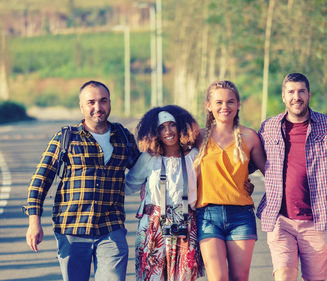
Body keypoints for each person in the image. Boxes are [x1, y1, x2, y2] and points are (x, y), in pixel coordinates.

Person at [24, 80, 140, 281]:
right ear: (81, 106)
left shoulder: (123, 136)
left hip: (111, 228)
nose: (98, 107)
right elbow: (40, 180)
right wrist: (34, 222)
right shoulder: (66, 137)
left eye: (103, 101)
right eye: (91, 102)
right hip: (72, 230)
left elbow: (142, 169)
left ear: (109, 102)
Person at [257, 73, 327, 281]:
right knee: (284, 276)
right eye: (291, 92)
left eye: (301, 91)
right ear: (284, 96)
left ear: (309, 94)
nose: (296, 97)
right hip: (280, 219)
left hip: (317, 219)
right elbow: (247, 161)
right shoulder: (268, 128)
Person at [193, 80, 266, 281]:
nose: (224, 107)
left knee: (239, 278)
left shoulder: (250, 137)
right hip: (207, 215)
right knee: (217, 278)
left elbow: (272, 174)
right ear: (208, 105)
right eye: (218, 102)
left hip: (241, 215)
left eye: (230, 102)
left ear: (238, 104)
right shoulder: (197, 137)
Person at [125, 105, 204, 281]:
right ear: (154, 132)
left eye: (172, 125)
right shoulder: (149, 158)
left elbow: (209, 183)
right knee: (151, 277)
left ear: (182, 126)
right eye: (161, 127)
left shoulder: (194, 156)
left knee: (183, 276)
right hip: (153, 225)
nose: (168, 131)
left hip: (186, 223)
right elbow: (128, 185)